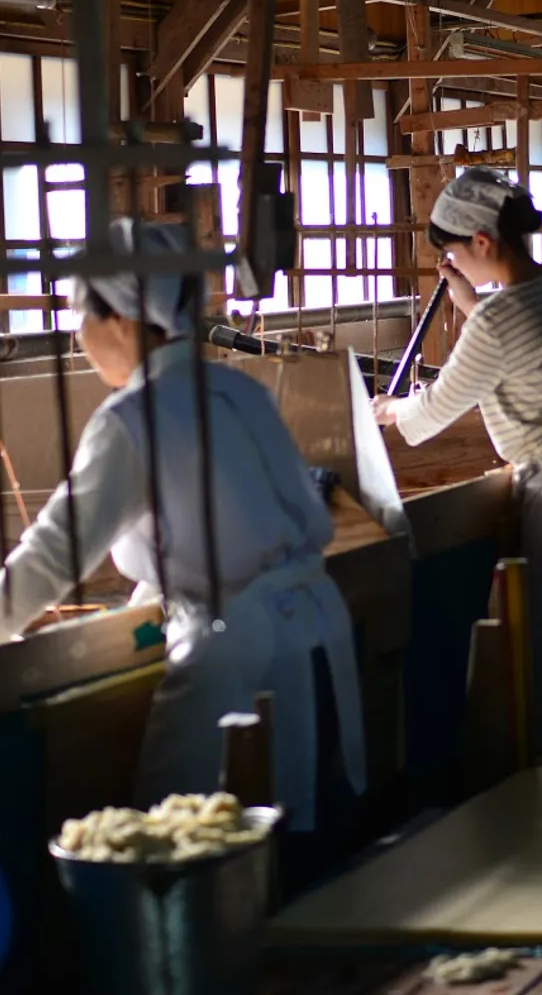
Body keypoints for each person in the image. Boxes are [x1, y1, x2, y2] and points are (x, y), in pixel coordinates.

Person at [0, 220, 366, 844]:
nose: (78, 336)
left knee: (194, 844)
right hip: (314, 626)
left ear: (121, 320)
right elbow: (227, 522)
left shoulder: (133, 417)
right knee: (299, 846)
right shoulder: (233, 389)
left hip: (235, 649)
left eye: (80, 318)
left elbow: (52, 557)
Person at [373, 169, 542, 744]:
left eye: (455, 255)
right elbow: (519, 334)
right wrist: (470, 303)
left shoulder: (495, 322)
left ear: (482, 243)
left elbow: (431, 414)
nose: (455, 267)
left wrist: (389, 409)